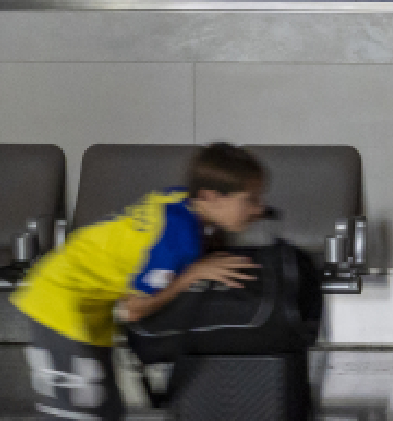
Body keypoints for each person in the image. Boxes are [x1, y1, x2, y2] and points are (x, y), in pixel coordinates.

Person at [11, 143, 268, 421]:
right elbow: (132, 310)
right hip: (60, 305)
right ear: (209, 196)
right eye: (249, 200)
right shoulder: (177, 240)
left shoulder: (179, 201)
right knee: (78, 413)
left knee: (106, 410)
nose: (258, 209)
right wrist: (192, 275)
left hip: (85, 306)